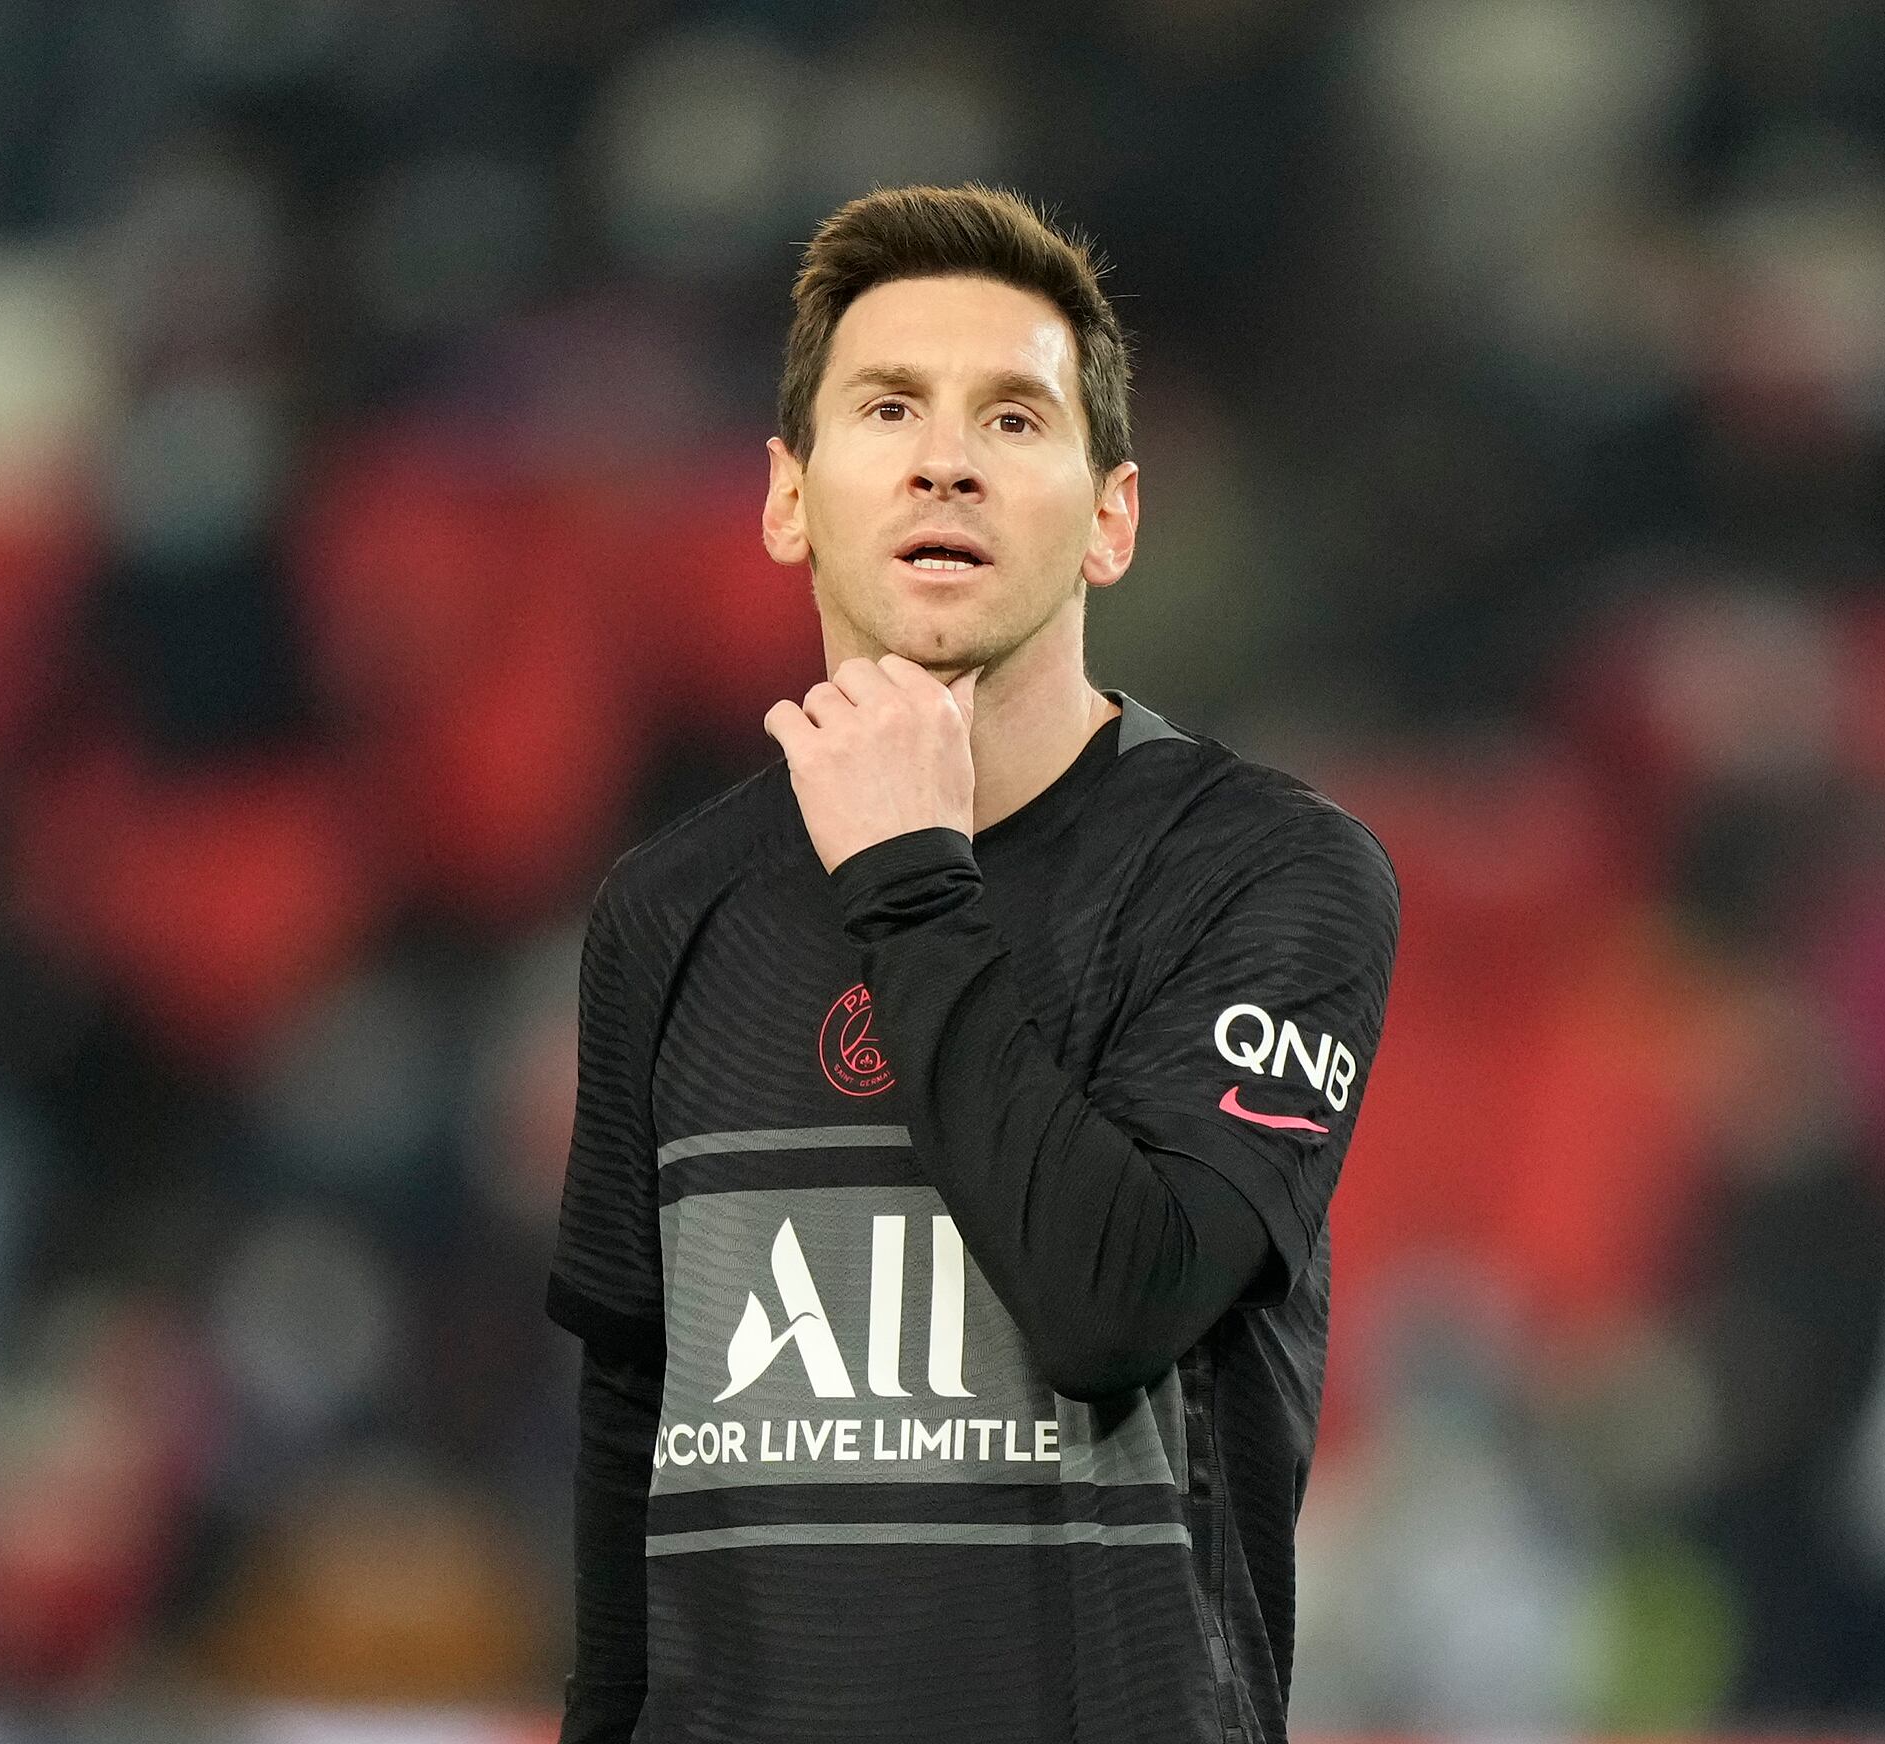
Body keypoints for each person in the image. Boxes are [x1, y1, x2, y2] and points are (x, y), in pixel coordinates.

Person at [545, 183, 1401, 1743]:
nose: (946, 456)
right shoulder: (664, 912)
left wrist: (907, 885)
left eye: (1014, 419)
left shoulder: (1265, 874)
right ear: (787, 499)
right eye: (887, 409)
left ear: (1112, 516)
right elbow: (630, 1410)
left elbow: (1112, 1306)